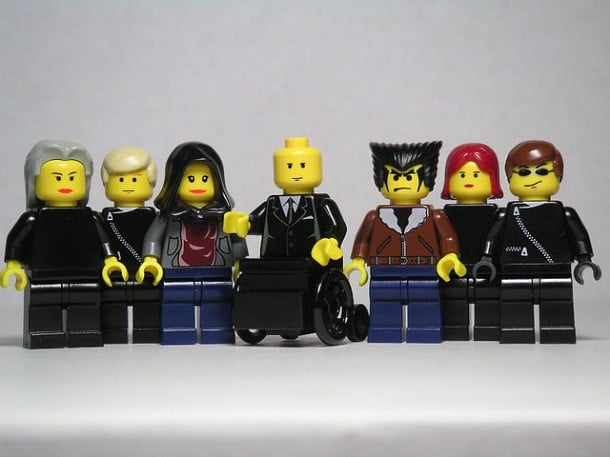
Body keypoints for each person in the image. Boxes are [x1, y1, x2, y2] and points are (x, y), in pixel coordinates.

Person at [1, 140, 127, 348]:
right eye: (57, 177)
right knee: (44, 305)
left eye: (73, 177)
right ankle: (44, 334)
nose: (65, 183)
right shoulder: (34, 218)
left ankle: (84, 332)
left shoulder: (90, 217)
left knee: (85, 304)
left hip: (86, 276)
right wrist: (13, 266)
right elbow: (16, 240)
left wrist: (111, 261)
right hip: (43, 277)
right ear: (35, 182)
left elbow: (104, 240)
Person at [473, 140, 601, 343]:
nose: (533, 178)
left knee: (557, 300)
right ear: (510, 178)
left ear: (558, 176)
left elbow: (579, 236)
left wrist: (584, 259)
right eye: (523, 173)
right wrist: (487, 258)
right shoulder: (506, 214)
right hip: (514, 270)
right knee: (515, 302)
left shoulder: (563, 213)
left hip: (556, 270)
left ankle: (557, 330)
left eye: (542, 172)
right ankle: (516, 330)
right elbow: (492, 237)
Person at [345, 141, 466, 343]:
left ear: (427, 180)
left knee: (424, 298)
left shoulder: (434, 216)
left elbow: (448, 238)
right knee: (384, 299)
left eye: (409, 176)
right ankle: (385, 330)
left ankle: (425, 331)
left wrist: (450, 256)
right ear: (381, 180)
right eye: (394, 176)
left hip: (424, 269)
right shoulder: (375, 217)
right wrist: (358, 262)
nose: (402, 181)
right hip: (384, 270)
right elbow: (363, 241)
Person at [136, 142, 246, 344]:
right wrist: (150, 260)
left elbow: (237, 239)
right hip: (176, 271)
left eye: (205, 178)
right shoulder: (167, 216)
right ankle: (177, 330)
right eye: (190, 178)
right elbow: (153, 239)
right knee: (177, 298)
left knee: (218, 299)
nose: (198, 184)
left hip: (217, 270)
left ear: (217, 181)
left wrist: (240, 264)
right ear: (175, 181)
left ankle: (217, 330)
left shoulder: (224, 216)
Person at [440, 143, 503, 340]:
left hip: (489, 270)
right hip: (454, 270)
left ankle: (488, 329)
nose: (468, 180)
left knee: (489, 299)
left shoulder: (497, 213)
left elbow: (499, 237)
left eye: (476, 175)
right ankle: (454, 329)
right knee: (453, 300)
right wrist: (447, 256)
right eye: (461, 175)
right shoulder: (445, 214)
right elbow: (442, 237)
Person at [100, 146, 160, 343]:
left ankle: (148, 332)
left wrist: (152, 260)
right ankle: (113, 333)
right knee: (112, 302)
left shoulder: (151, 216)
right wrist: (109, 260)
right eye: (120, 179)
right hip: (113, 273)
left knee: (148, 302)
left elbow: (158, 238)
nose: (127, 185)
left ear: (150, 182)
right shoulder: (105, 216)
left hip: (147, 273)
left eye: (135, 179)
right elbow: (102, 240)